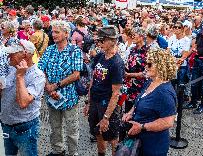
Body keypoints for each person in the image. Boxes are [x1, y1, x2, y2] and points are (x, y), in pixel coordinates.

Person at [38, 20, 83, 156]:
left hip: (69, 97)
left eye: (57, 32)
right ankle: (58, 151)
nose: (53, 34)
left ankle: (72, 152)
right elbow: (41, 69)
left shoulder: (74, 50)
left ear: (66, 34)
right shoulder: (50, 49)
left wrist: (55, 86)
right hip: (52, 96)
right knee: (55, 127)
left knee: (71, 129)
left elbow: (76, 75)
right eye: (53, 31)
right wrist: (48, 87)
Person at [122, 49, 177, 156]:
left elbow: (168, 122)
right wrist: (130, 113)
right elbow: (140, 100)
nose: (146, 67)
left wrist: (142, 126)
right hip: (140, 141)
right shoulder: (150, 82)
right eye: (146, 63)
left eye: (150, 64)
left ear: (161, 66)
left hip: (153, 145)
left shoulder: (165, 93)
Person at [0, 39, 45, 156]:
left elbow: (23, 103)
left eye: (13, 53)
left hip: (25, 128)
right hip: (6, 124)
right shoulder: (10, 68)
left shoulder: (38, 76)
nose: (9, 56)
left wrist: (20, 76)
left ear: (25, 55)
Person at [84, 26, 125, 156]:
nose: (99, 43)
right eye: (98, 40)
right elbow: (93, 80)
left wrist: (106, 117)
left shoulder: (117, 63)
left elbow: (116, 93)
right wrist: (88, 102)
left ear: (112, 40)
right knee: (97, 132)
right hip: (95, 102)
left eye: (102, 40)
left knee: (112, 137)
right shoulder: (100, 56)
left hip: (108, 105)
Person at [124, 27, 148, 112]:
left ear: (141, 37)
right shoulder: (132, 49)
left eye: (134, 35)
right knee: (127, 108)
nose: (132, 37)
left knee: (137, 109)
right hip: (129, 85)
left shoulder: (147, 52)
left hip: (140, 86)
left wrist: (130, 75)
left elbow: (147, 73)